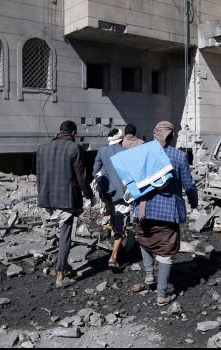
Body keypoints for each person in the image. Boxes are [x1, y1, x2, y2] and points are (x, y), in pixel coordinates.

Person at [133, 121, 199, 306]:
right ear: (171, 136)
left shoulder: (143, 153)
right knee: (166, 249)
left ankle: (148, 275)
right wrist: (194, 202)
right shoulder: (178, 156)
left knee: (145, 240)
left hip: (143, 210)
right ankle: (161, 295)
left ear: (155, 134)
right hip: (167, 212)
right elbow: (188, 184)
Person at [36, 120, 93, 288]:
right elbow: (81, 177)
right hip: (66, 198)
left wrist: (42, 195)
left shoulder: (42, 148)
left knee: (60, 234)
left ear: (59, 131)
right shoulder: (74, 148)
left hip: (47, 197)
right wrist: (89, 195)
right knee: (65, 235)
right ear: (73, 133)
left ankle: (64, 265)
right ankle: (60, 275)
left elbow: (39, 176)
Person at [92, 127, 132, 272]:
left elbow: (95, 172)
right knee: (120, 224)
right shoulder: (126, 152)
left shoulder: (102, 151)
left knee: (115, 221)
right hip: (123, 194)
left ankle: (116, 247)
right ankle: (113, 257)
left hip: (107, 194)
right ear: (121, 138)